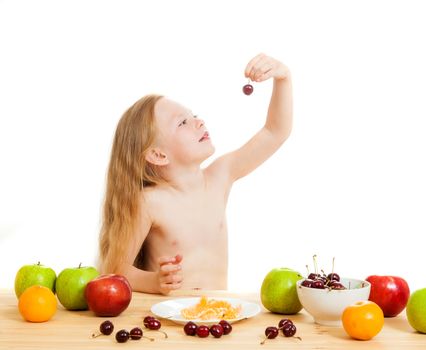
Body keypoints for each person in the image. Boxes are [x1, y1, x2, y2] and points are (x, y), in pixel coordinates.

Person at [98, 54, 292, 294]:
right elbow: (115, 269)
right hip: (170, 320)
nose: (199, 122)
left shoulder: (220, 176)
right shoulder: (150, 202)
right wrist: (154, 282)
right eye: (182, 123)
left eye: (194, 116)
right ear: (158, 155)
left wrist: (283, 78)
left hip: (218, 317)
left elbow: (275, 132)